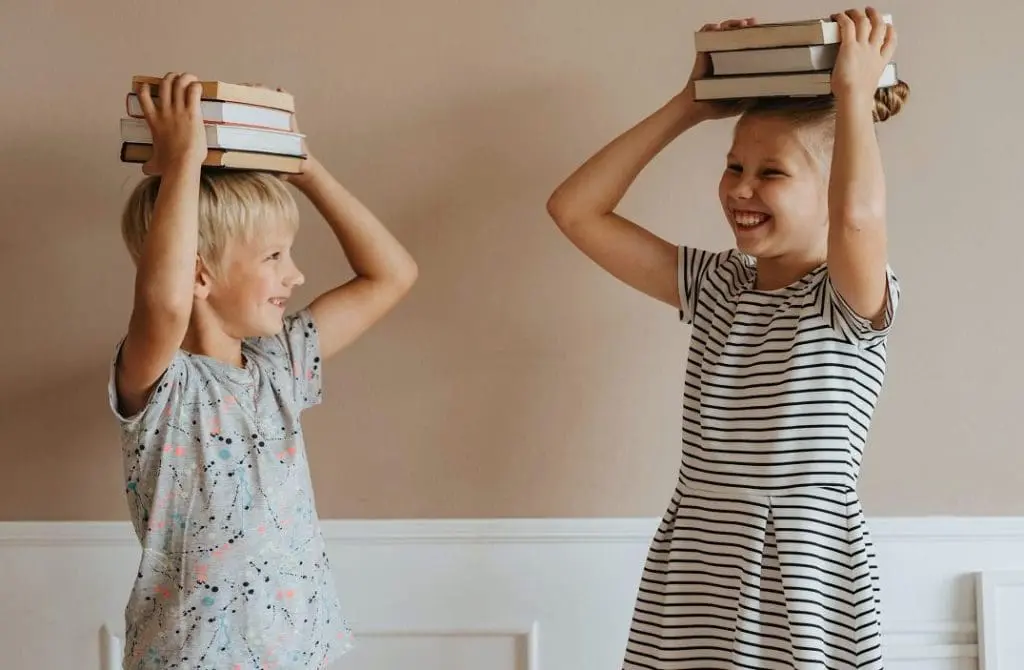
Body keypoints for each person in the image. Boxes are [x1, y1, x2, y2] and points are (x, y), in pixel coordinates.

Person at [546, 8, 907, 669]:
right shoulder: (717, 285)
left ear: (835, 188)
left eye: (771, 173)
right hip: (699, 564)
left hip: (803, 572)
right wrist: (691, 104)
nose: (740, 188)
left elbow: (859, 220)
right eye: (733, 166)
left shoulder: (847, 301)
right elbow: (574, 209)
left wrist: (855, 94)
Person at [109, 72, 418, 669]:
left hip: (299, 651)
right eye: (274, 257)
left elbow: (392, 275)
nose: (295, 275)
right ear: (199, 275)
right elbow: (166, 303)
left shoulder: (280, 366)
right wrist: (182, 166)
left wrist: (304, 169)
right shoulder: (163, 383)